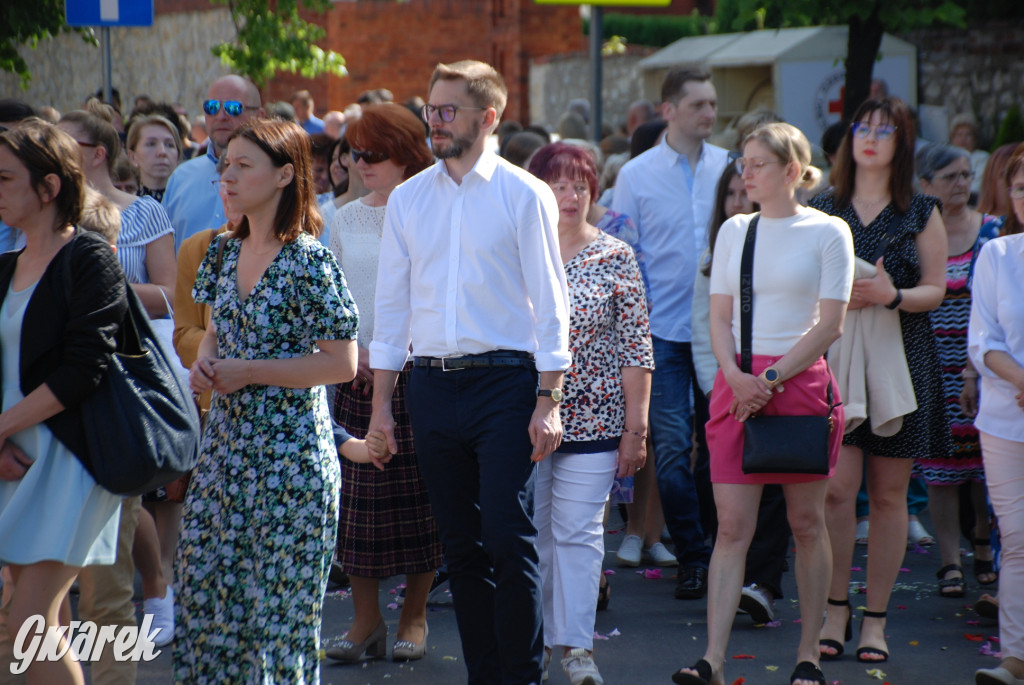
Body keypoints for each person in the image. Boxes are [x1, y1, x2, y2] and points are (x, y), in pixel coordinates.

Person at [367, 60, 571, 685]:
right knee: (460, 546)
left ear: (488, 117)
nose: (434, 120)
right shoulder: (408, 198)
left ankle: (522, 676)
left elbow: (551, 300)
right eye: (431, 108)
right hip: (429, 386)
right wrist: (380, 409)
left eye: (448, 109)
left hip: (507, 383)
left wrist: (549, 399)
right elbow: (391, 309)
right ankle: (485, 675)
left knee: (508, 538)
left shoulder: (523, 192)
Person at [176, 118, 359, 682]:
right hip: (224, 457)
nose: (227, 177)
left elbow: (341, 363)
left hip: (290, 464)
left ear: (284, 175)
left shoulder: (309, 260)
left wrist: (248, 371)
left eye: (242, 165)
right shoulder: (221, 252)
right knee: (209, 608)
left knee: (278, 622)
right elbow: (214, 332)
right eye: (225, 165)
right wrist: (206, 364)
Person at [673, 122, 853, 685]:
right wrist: (733, 374)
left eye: (756, 164)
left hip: (796, 383)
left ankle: (808, 656)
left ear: (792, 172)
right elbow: (718, 316)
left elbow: (831, 325)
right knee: (730, 528)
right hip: (739, 382)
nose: (743, 173)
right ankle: (713, 660)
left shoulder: (829, 232)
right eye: (743, 163)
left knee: (806, 522)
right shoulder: (735, 230)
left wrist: (767, 378)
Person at [810, 97, 948, 664]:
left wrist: (892, 295)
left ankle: (876, 621)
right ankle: (835, 609)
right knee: (838, 492)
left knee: (890, 497)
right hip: (836, 357)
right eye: (862, 129)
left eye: (883, 131)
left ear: (901, 142)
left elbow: (935, 289)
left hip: (903, 362)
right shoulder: (821, 207)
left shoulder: (921, 209)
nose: (869, 138)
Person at [0, 119, 127, 684]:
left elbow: (84, 370)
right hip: (13, 456)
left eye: (4, 178)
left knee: (30, 621)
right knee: (27, 621)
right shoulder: (6, 267)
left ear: (48, 187)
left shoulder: (88, 260)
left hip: (70, 461)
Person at [527, 142, 654, 685]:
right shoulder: (514, 252)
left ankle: (577, 648)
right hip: (520, 419)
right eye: (558, 185)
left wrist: (636, 430)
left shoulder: (615, 256)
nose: (570, 196)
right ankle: (536, 647)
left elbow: (636, 349)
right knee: (533, 536)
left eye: (580, 185)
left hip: (596, 421)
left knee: (578, 534)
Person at [322, 103, 441, 664]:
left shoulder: (435, 212)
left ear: (407, 155)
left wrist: (403, 352)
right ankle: (365, 619)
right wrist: (358, 351)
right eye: (354, 151)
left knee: (423, 501)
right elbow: (333, 304)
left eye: (374, 153)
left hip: (423, 374)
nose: (360, 162)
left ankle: (413, 616)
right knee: (358, 504)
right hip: (359, 376)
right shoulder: (342, 220)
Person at [612, 68, 729, 600]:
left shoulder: (730, 167)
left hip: (722, 331)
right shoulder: (636, 175)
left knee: (722, 447)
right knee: (673, 450)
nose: (710, 112)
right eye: (699, 104)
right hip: (660, 333)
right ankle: (695, 554)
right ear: (669, 111)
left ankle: (720, 548)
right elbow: (623, 255)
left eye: (713, 103)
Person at [693, 158, 793, 625]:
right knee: (723, 491)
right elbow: (705, 323)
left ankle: (764, 582)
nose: (739, 200)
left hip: (779, 380)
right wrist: (724, 377)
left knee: (774, 484)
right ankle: (726, 582)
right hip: (725, 382)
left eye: (744, 191)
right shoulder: (718, 251)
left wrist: (765, 383)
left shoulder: (790, 244)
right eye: (730, 194)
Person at [915, 143, 1001, 596]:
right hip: (931, 364)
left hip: (984, 363)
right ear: (925, 184)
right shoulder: (917, 230)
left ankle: (984, 545)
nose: (961, 183)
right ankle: (950, 560)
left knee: (986, 463)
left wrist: (975, 368)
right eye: (950, 176)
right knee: (941, 469)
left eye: (966, 174)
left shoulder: (992, 230)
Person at [968, 145, 1024, 685]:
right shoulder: (999, 254)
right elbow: (982, 340)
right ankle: (1016, 657)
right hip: (1007, 417)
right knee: (1018, 537)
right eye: (1021, 187)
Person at [163, 75, 264, 251]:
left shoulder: (270, 178)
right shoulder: (181, 177)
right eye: (212, 108)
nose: (221, 116)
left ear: (259, 115)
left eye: (233, 108)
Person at [126, 114, 182, 202]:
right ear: (133, 157)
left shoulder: (190, 204)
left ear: (178, 156)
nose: (162, 152)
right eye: (151, 144)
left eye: (169, 145)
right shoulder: (126, 210)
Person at [948, 114, 989, 199]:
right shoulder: (946, 158)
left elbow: (976, 187)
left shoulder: (982, 158)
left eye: (968, 135)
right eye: (959, 135)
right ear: (952, 138)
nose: (963, 139)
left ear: (975, 138)